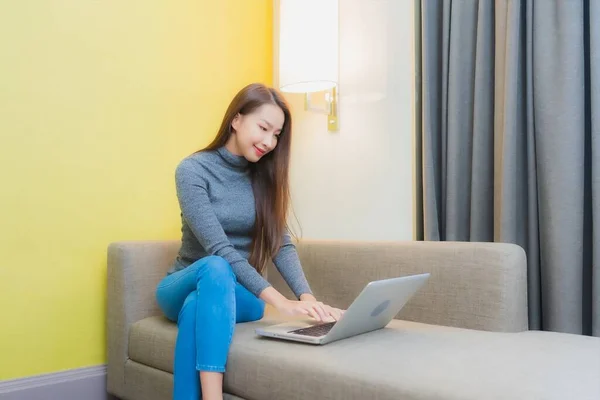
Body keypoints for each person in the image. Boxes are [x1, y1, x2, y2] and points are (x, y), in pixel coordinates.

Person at [155, 83, 343, 400]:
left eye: (276, 135)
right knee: (214, 269)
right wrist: (281, 302)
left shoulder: (264, 177)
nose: (269, 142)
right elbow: (220, 250)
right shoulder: (192, 170)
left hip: (241, 296)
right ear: (236, 119)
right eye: (263, 128)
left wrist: (306, 296)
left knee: (197, 307)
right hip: (184, 282)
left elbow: (280, 244)